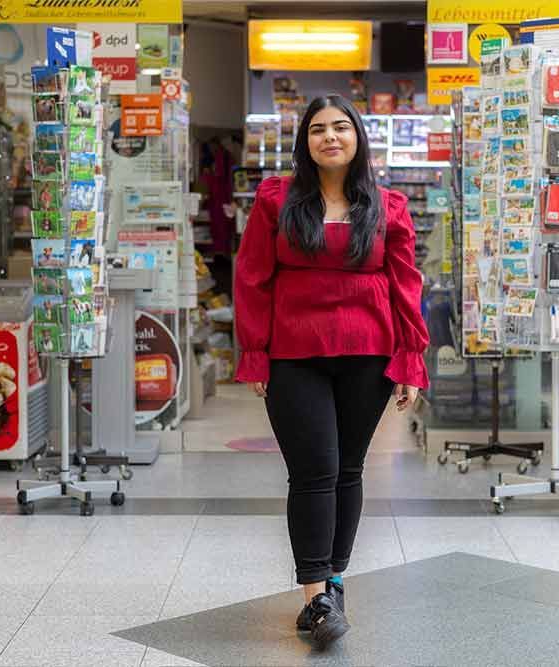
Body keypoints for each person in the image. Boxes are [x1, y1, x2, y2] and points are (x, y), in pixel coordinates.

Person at [234, 95, 429, 649]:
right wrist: (253, 353)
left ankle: (333, 583)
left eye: (341, 127)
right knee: (313, 471)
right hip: (294, 356)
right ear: (306, 142)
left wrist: (411, 360)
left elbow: (405, 285)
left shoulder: (387, 205)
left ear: (358, 137)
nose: (330, 137)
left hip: (367, 355)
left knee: (348, 470)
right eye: (318, 129)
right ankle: (315, 595)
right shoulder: (276, 200)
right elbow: (252, 278)